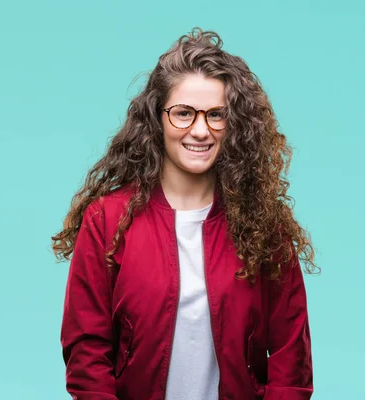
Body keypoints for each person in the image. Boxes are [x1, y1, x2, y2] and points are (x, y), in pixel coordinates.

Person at [51, 27, 318, 400]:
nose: (200, 130)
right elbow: (87, 355)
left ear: (235, 124)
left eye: (216, 115)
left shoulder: (263, 227)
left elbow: (292, 363)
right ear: (157, 118)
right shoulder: (106, 221)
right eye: (183, 113)